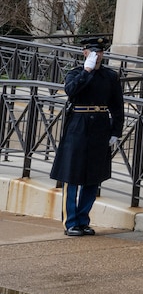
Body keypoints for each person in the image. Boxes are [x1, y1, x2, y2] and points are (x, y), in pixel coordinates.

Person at [51, 37, 124, 236]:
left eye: (99, 52)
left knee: (94, 176)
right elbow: (71, 91)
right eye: (92, 51)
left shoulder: (110, 76)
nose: (97, 55)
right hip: (79, 123)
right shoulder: (76, 73)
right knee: (72, 174)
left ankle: (83, 219)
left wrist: (116, 131)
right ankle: (71, 222)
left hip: (100, 124)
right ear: (84, 52)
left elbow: (117, 106)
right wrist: (87, 71)